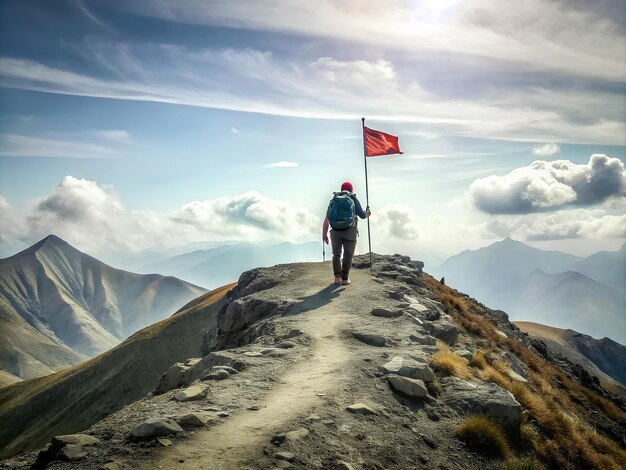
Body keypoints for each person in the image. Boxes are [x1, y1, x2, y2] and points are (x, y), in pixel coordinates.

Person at [322, 181, 371, 285]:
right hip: (350, 231)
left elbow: (327, 218)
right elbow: (362, 215)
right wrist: (368, 213)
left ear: (341, 189)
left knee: (336, 254)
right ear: (351, 189)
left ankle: (337, 278)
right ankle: (345, 279)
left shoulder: (334, 200)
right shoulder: (352, 198)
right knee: (348, 255)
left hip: (335, 231)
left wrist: (324, 234)